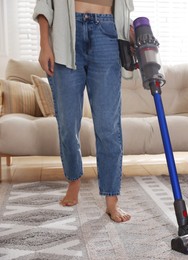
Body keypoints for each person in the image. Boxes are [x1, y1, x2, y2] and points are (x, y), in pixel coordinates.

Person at [33, 0, 134, 222]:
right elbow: (44, 5)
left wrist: (132, 34)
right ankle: (74, 181)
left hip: (107, 32)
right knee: (68, 124)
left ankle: (111, 199)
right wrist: (44, 45)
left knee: (108, 127)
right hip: (65, 33)